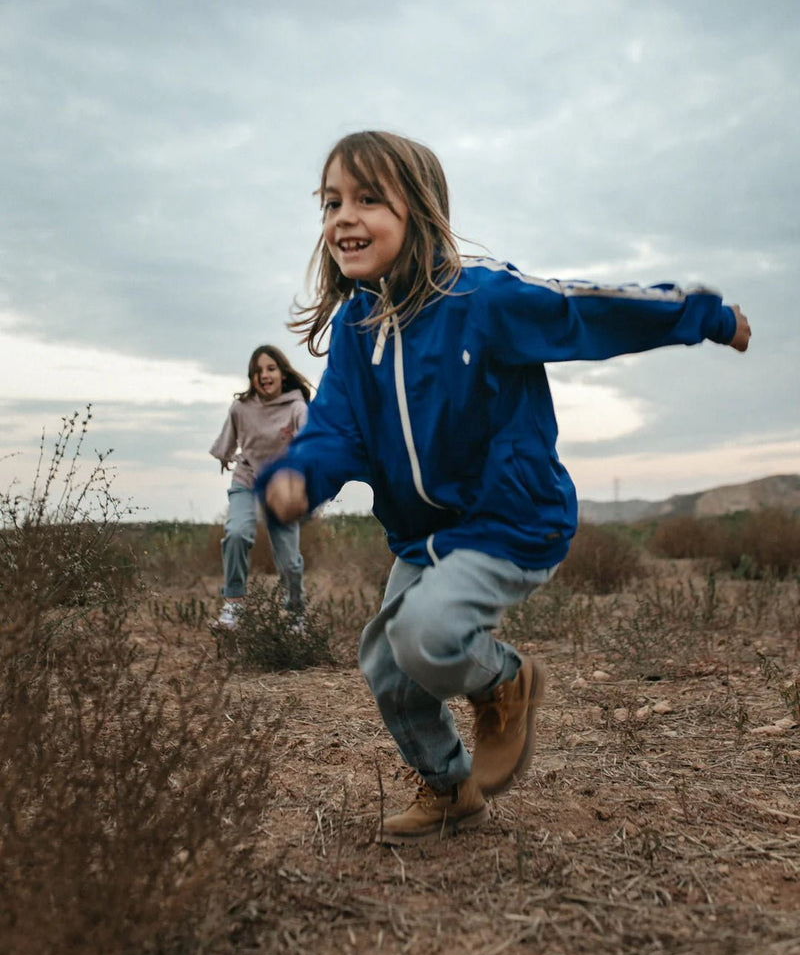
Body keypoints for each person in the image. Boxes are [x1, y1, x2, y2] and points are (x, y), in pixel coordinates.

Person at [254, 130, 751, 845]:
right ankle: (450, 788)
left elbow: (586, 310)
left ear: (418, 211)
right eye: (331, 201)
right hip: (426, 539)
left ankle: (505, 683)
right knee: (388, 665)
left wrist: (703, 316)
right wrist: (299, 476)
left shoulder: (479, 299)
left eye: (368, 198)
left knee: (429, 633)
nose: (344, 217)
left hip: (509, 521)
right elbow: (337, 430)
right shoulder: (359, 330)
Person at [210, 344, 312, 629]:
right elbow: (228, 442)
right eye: (258, 371)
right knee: (236, 534)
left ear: (282, 373)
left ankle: (295, 613)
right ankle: (234, 604)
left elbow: (309, 446)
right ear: (251, 376)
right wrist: (224, 456)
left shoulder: (296, 408)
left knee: (290, 562)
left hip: (281, 489)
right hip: (247, 480)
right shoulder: (241, 408)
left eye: (270, 369)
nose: (264, 375)